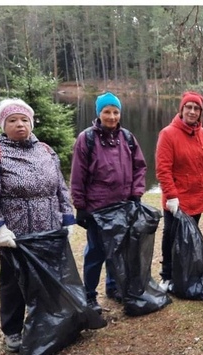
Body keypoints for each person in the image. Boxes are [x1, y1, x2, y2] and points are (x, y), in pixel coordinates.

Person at [0, 98, 76, 353]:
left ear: (31, 123)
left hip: (48, 231)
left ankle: (47, 323)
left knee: (48, 278)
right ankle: (12, 332)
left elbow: (60, 187)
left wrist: (67, 217)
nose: (19, 124)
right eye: (12, 120)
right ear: (3, 124)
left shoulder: (46, 151)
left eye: (24, 120)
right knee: (13, 284)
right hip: (15, 235)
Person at [70, 91, 147, 313]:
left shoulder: (128, 138)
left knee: (118, 250)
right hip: (97, 208)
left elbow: (140, 167)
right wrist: (80, 206)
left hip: (123, 205)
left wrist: (136, 193)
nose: (111, 116)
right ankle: (89, 295)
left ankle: (113, 287)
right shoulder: (87, 139)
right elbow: (78, 175)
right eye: (107, 112)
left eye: (115, 112)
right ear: (99, 113)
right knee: (96, 252)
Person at [155, 91, 203, 292]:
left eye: (196, 108)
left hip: (197, 196)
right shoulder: (168, 134)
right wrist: (171, 196)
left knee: (189, 237)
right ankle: (167, 276)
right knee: (170, 236)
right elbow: (163, 169)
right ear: (181, 109)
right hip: (177, 200)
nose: (192, 111)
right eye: (188, 107)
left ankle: (184, 272)